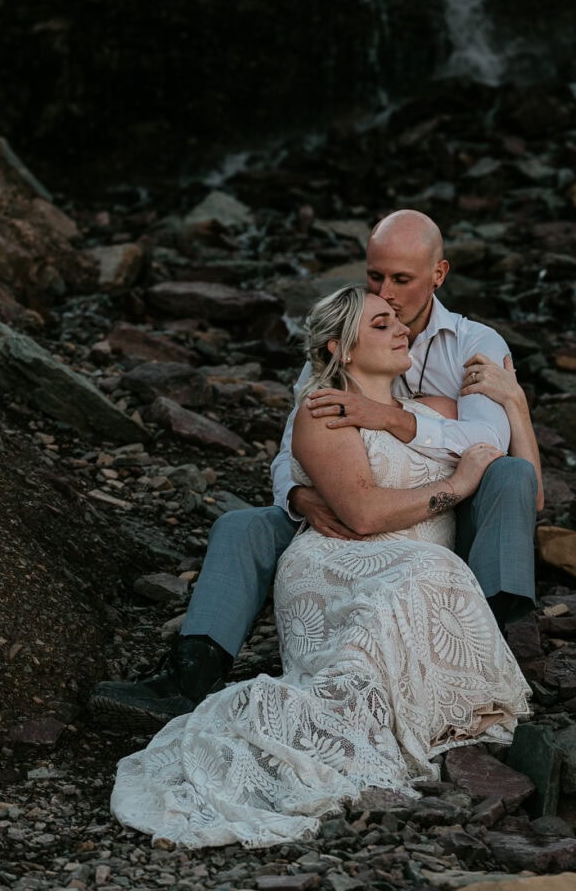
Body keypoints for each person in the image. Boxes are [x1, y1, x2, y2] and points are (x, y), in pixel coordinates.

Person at [108, 286, 532, 849]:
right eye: (381, 324)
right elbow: (342, 501)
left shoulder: (446, 397)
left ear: (438, 272)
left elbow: (517, 481)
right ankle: (194, 678)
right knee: (418, 577)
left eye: (398, 308)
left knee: (429, 571)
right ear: (344, 347)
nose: (400, 322)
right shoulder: (321, 404)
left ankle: (446, 686)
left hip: (412, 556)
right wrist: (448, 484)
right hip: (339, 555)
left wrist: (516, 408)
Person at [90, 209, 541, 731]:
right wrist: (298, 499)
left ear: (438, 275)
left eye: (401, 280)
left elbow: (487, 442)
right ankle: (187, 677)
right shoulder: (342, 337)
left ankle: (485, 646)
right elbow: (291, 450)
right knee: (242, 524)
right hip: (343, 511)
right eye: (375, 276)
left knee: (511, 476)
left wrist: (389, 418)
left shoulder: (474, 345)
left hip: (445, 516)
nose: (387, 293)